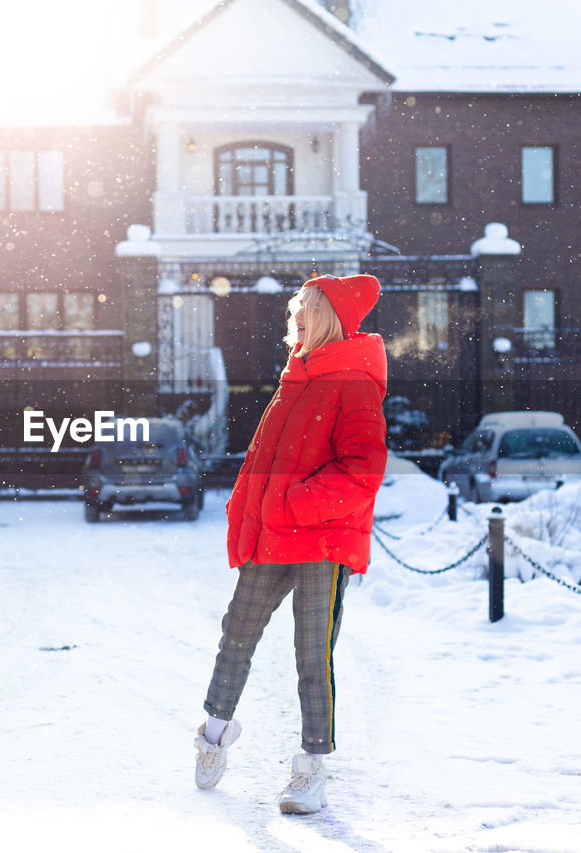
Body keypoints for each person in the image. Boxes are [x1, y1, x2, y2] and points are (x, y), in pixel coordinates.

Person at [194, 273, 388, 814]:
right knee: (237, 631)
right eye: (296, 310)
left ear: (331, 318)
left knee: (311, 653)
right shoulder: (296, 376)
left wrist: (290, 505)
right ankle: (214, 733)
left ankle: (311, 767)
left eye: (308, 310)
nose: (297, 318)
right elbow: (264, 457)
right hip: (274, 534)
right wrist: (247, 508)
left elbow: (362, 471)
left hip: (320, 542)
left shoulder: (354, 383)